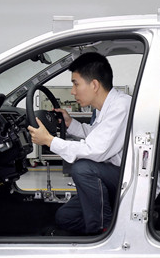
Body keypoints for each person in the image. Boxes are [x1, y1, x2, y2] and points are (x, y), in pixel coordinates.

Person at [28, 52, 131, 235]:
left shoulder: (121, 106)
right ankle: (109, 224)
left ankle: (104, 231)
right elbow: (98, 137)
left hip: (127, 181)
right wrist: (70, 123)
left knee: (83, 168)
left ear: (94, 85)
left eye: (76, 84)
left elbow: (95, 150)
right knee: (65, 217)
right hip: (113, 176)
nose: (72, 91)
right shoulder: (105, 108)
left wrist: (49, 141)